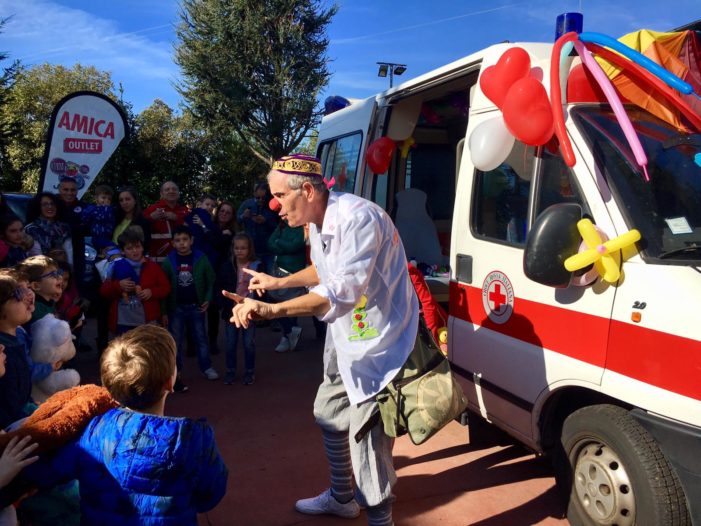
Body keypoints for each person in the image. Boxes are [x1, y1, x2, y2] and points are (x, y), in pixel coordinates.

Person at [225, 154, 418, 526]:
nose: (274, 207)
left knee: (367, 438)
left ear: (308, 190)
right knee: (328, 411)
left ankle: (381, 519)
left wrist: (271, 311)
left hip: (377, 339)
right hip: (344, 331)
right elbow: (325, 269)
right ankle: (342, 498)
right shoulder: (315, 219)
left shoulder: (359, 218)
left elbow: (340, 292)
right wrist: (278, 283)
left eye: (280, 196)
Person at [21, 324, 229, 525]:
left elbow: (48, 472)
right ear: (169, 382)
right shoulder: (193, 439)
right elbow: (211, 494)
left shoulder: (93, 431)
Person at [161, 226, 218, 391]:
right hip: (176, 308)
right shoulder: (168, 261)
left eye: (185, 240)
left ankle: (206, 367)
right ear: (173, 243)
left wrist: (207, 299)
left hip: (196, 306)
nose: (182, 244)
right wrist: (164, 311)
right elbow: (164, 287)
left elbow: (210, 280)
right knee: (176, 340)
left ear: (191, 241)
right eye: (178, 240)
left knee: (201, 338)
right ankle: (176, 371)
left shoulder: (201, 258)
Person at [100, 227, 170, 336]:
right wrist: (118, 285)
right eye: (129, 248)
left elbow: (166, 288)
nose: (135, 251)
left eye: (137, 247)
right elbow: (104, 291)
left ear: (142, 248)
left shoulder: (153, 267)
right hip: (122, 322)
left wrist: (151, 292)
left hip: (147, 322)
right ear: (122, 251)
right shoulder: (115, 267)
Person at [217, 233, 262, 386]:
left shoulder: (256, 266)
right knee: (230, 343)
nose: (239, 251)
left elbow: (263, 289)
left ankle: (249, 371)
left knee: (248, 342)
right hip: (232, 311)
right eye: (236, 248)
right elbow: (220, 285)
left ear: (250, 249)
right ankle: (230, 371)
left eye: (243, 248)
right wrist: (222, 304)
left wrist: (260, 308)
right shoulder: (227, 265)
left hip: (250, 310)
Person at [0, 275, 37, 430]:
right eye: (17, 295)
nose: (26, 298)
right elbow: (8, 405)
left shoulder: (16, 337)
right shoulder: (3, 352)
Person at [267, 219, 306, 352]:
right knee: (276, 300)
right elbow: (270, 243)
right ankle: (290, 332)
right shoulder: (282, 224)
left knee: (291, 305)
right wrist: (284, 246)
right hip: (279, 270)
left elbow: (295, 245)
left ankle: (286, 336)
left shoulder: (302, 227)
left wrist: (279, 242)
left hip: (295, 272)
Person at [237, 182, 278, 272]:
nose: (260, 200)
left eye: (263, 198)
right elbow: (236, 221)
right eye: (257, 198)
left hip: (268, 251)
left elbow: (279, 227)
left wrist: (266, 221)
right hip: (251, 251)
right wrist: (243, 216)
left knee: (270, 276)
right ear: (254, 194)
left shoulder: (272, 206)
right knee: (251, 278)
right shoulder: (246, 204)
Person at [143, 181, 188, 263]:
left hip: (182, 260)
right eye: (167, 189)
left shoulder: (184, 211)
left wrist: (176, 218)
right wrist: (150, 218)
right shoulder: (151, 210)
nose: (171, 191)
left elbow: (193, 231)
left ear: (178, 193)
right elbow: (139, 228)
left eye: (174, 189)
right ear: (161, 194)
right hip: (158, 263)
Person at [56, 177, 86, 291]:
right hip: (55, 252)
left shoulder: (84, 207)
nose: (69, 193)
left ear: (77, 191)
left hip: (77, 252)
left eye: (72, 190)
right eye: (66, 189)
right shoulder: (52, 205)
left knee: (75, 283)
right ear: (59, 189)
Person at [24, 193, 72, 263]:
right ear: (38, 207)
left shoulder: (65, 227)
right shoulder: (30, 229)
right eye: (44, 204)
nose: (50, 206)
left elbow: (70, 254)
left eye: (52, 204)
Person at [16, 256, 63, 327]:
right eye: (53, 274)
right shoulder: (35, 309)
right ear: (36, 286)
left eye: (58, 273)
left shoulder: (49, 301)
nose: (60, 277)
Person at [80, 184, 115, 252]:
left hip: (105, 238)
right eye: (103, 197)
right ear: (96, 198)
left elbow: (105, 217)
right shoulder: (91, 208)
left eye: (109, 199)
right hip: (93, 237)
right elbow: (84, 219)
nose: (106, 200)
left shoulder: (110, 210)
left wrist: (105, 208)